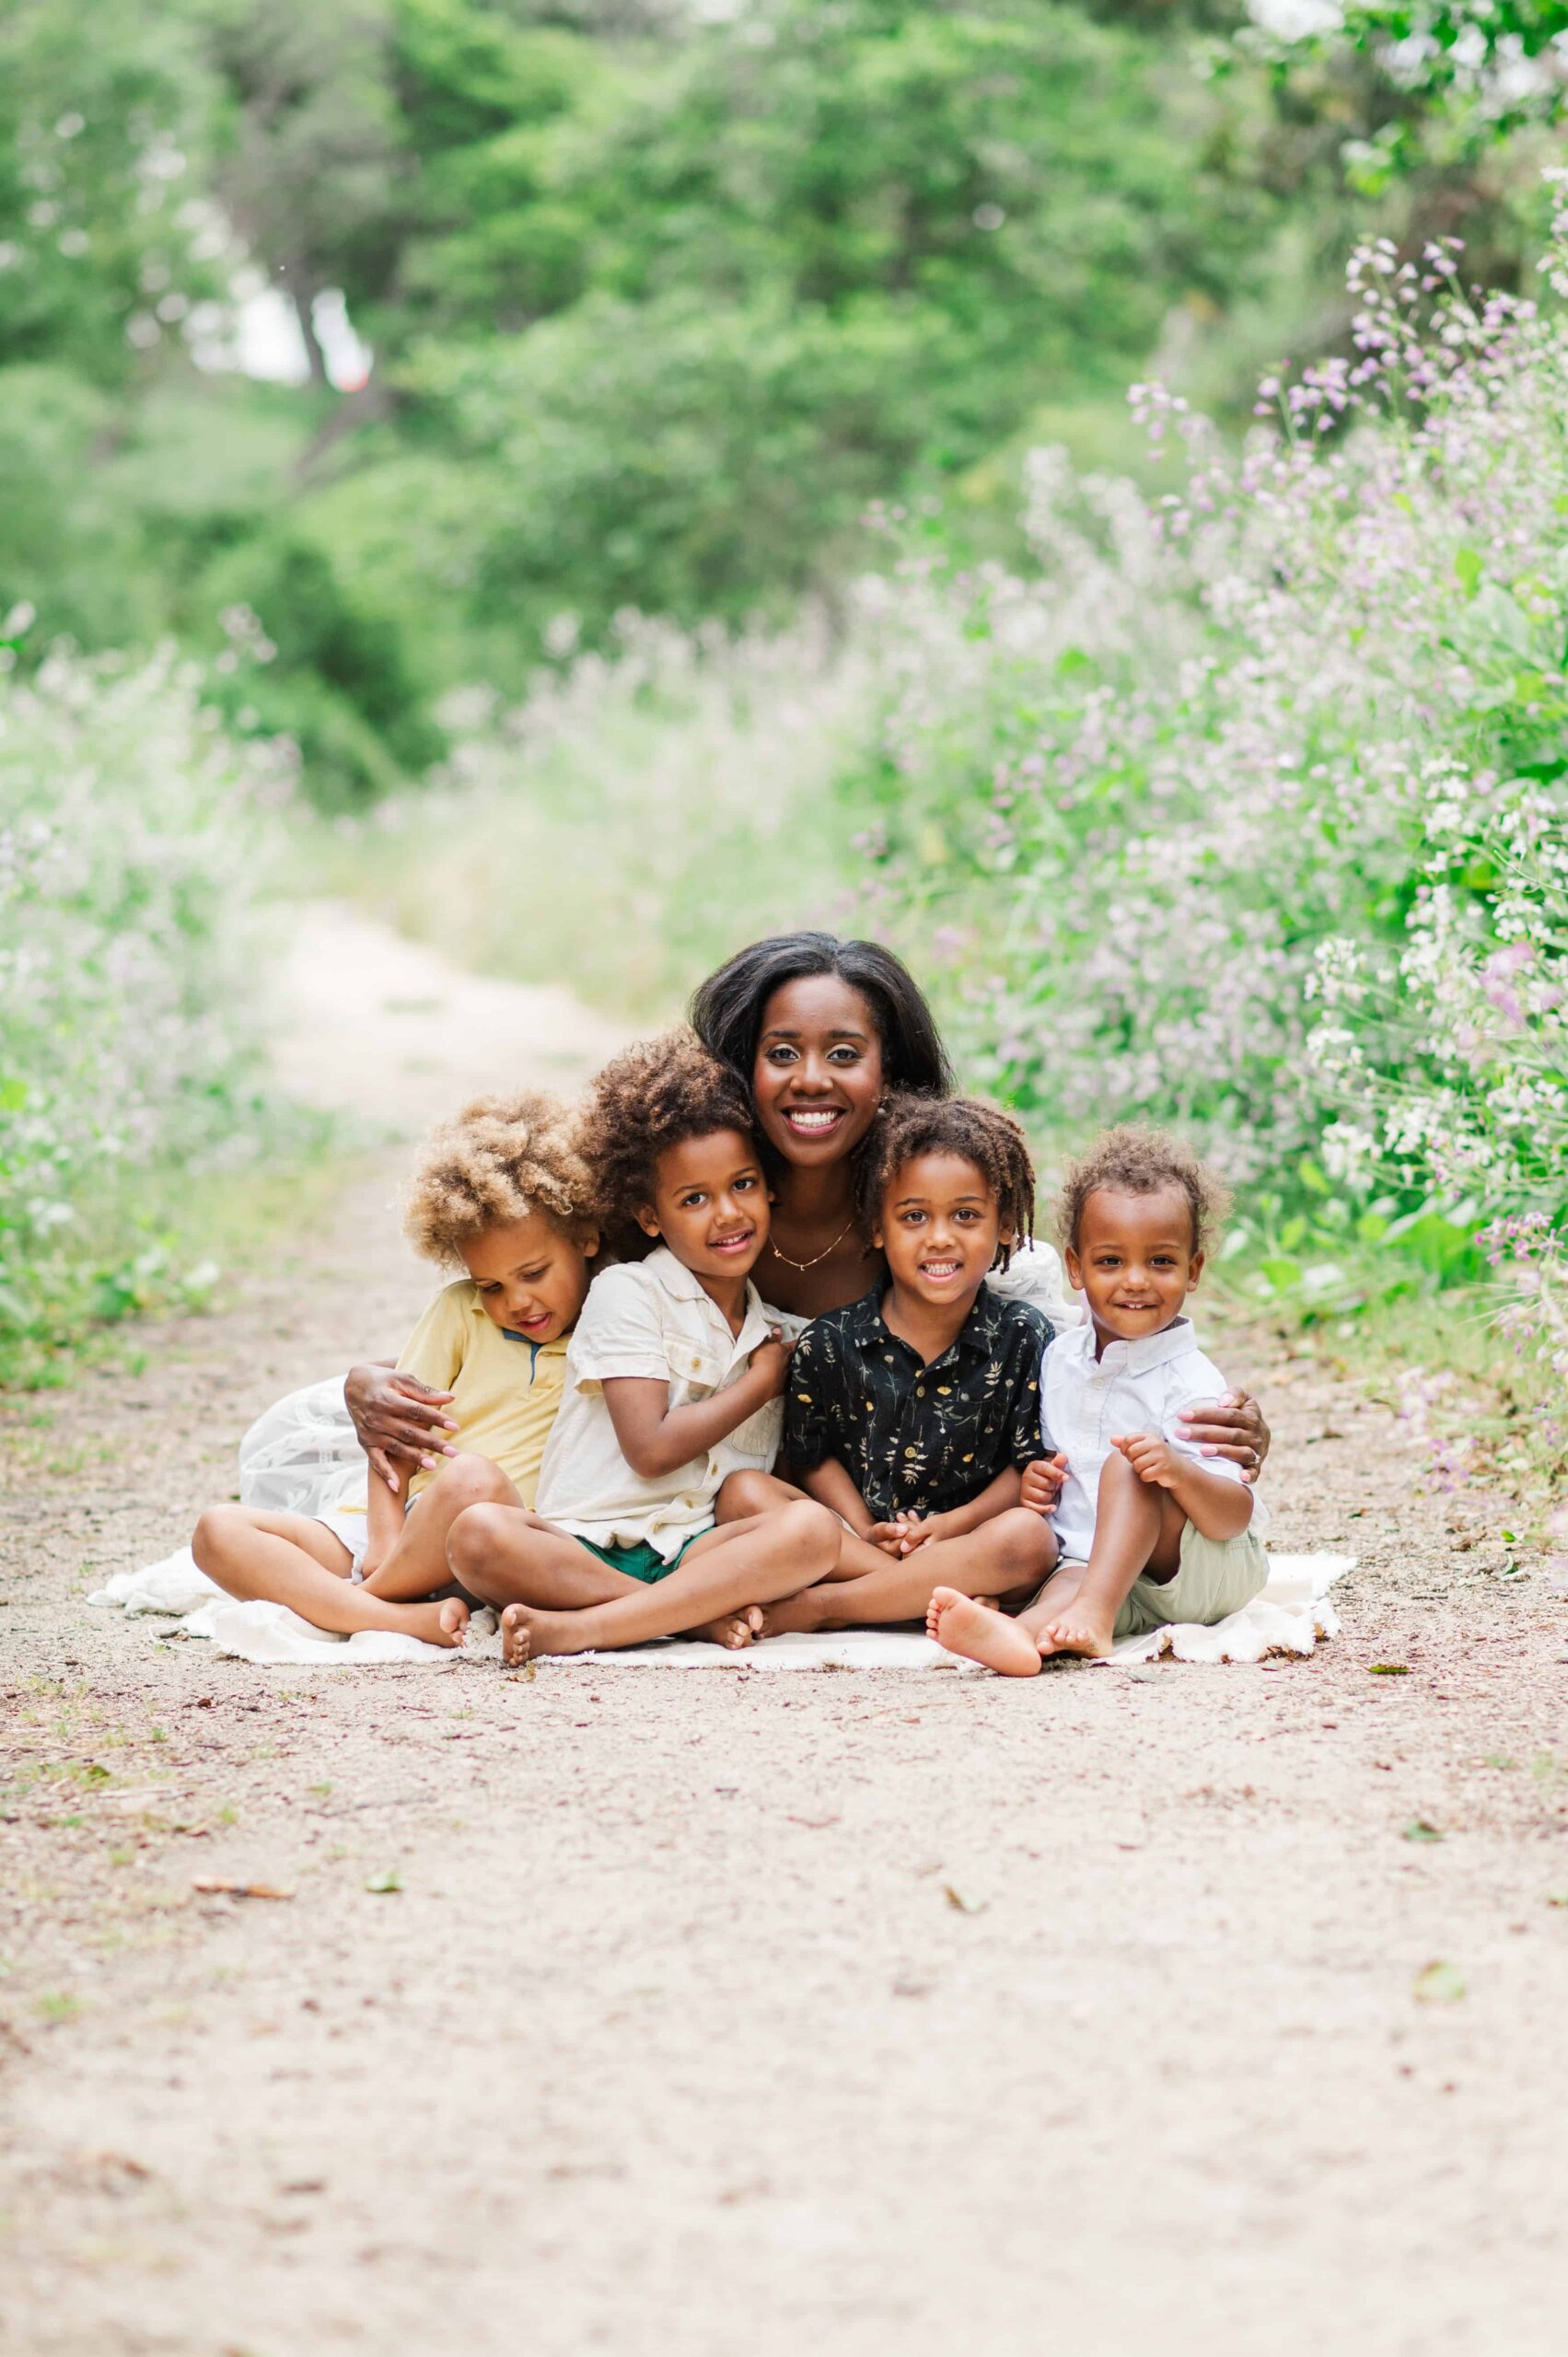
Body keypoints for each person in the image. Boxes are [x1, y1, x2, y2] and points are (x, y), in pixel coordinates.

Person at [343, 935, 1271, 1499]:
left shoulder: (937, 1226)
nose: (811, 1079)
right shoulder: (665, 1218)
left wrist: (1216, 1418)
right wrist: (370, 1377)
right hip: (687, 1493)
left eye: (843, 1051)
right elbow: (510, 1303)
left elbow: (1101, 1347)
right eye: (781, 1051)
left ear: (888, 1071)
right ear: (739, 1066)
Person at [441, 1030, 842, 1662]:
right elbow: (650, 1450)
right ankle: (678, 1620)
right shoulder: (629, 1292)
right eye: (693, 1199)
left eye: (741, 1184)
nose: (726, 1213)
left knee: (813, 1532)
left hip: (692, 1548)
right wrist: (759, 1385)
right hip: (581, 1543)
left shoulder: (776, 1333)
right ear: (651, 1217)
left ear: (769, 1187)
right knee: (478, 1535)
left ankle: (597, 1624)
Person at [191, 1092, 602, 1648]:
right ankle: (396, 1614)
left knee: (471, 1477)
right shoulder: (460, 1310)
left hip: (491, 1537)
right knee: (218, 1530)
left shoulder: (613, 1324)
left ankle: (360, 1604)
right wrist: (384, 1538)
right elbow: (395, 1438)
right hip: (397, 1530)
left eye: (534, 1273)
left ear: (586, 1238)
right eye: (493, 1285)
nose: (517, 1302)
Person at [928, 1126, 1269, 1671]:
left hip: (1202, 1568)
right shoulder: (1060, 1361)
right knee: (1068, 1584)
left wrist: (1178, 1474)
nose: (1135, 1281)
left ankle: (1092, 1619)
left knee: (1129, 1470)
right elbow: (1055, 1467)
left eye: (1160, 1262)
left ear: (1194, 1270)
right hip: (1107, 1574)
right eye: (1111, 1262)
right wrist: (1041, 1481)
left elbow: (1233, 1518)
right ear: (1075, 1267)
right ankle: (1016, 1638)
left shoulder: (1193, 1381)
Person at [717, 1093, 1059, 1631]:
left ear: (1006, 1227)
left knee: (1028, 1540)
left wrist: (949, 1528)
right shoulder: (829, 1341)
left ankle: (828, 1608)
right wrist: (862, 1528)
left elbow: (1029, 1469)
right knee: (742, 1494)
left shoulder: (1025, 1336)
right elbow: (812, 1458)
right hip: (855, 1541)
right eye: (914, 1216)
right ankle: (912, 1596)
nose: (940, 1237)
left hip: (968, 1541)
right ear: (878, 1229)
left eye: (966, 1215)